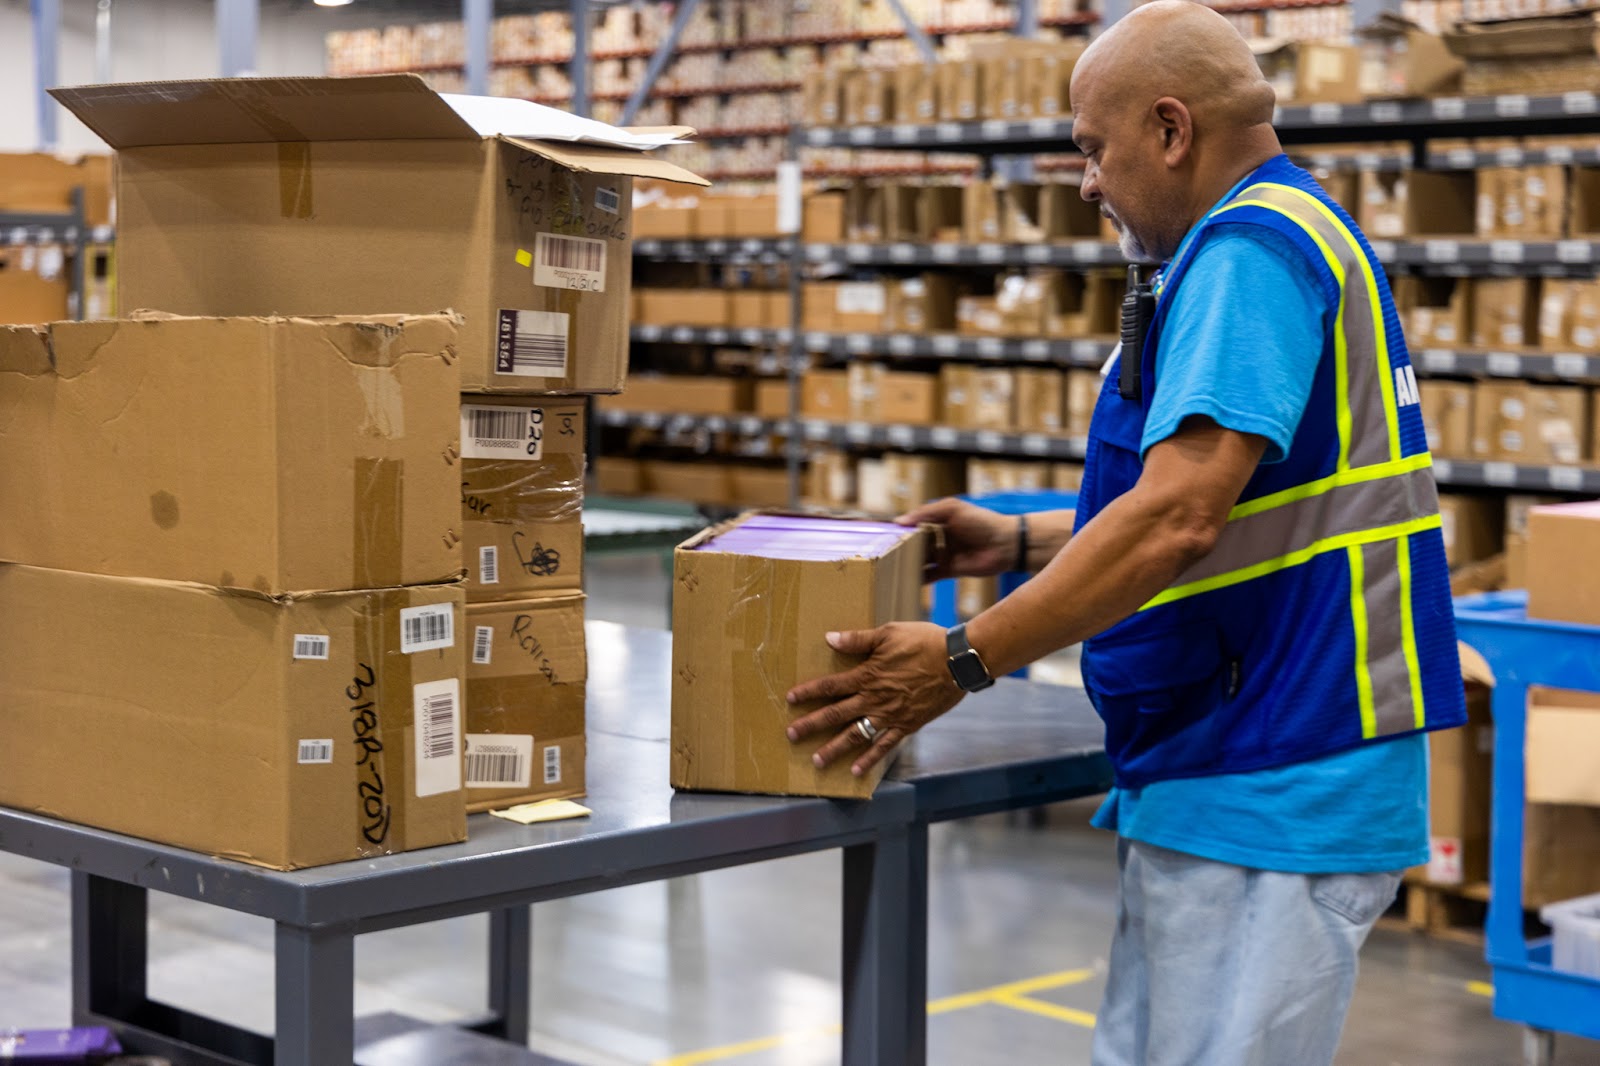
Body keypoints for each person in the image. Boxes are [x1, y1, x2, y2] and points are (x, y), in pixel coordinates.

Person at [783, 3, 1467, 1063]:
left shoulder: (1249, 253)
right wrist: (1016, 543)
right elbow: (1239, 508)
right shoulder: (1268, 239)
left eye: (1093, 149)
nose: (1087, 182)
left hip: (1275, 763)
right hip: (1227, 755)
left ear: (1169, 129)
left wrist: (964, 656)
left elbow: (1179, 515)